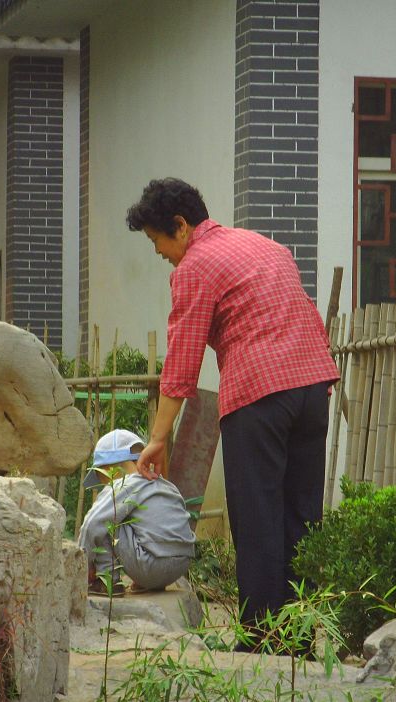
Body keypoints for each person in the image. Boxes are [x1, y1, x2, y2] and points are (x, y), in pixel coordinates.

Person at [127, 178, 340, 647]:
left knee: (257, 516)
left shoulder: (196, 266)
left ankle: (263, 640)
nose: (159, 251)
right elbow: (303, 311)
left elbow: (182, 363)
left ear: (180, 227)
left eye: (156, 240)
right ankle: (301, 638)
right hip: (312, 388)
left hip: (260, 393)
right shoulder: (265, 246)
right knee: (302, 516)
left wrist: (159, 438)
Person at [78, 428, 196, 597]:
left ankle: (107, 581)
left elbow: (91, 525)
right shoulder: (164, 484)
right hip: (182, 564)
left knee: (104, 518)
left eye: (102, 478)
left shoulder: (123, 484)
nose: (105, 485)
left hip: (150, 566)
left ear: (109, 468)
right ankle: (147, 583)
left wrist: (83, 565)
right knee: (141, 520)